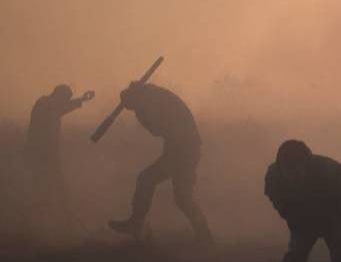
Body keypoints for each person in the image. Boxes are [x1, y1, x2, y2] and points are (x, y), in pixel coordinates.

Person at [108, 82, 211, 242]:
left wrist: (139, 112)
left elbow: (155, 130)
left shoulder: (150, 102)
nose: (134, 110)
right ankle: (205, 237)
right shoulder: (153, 95)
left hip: (183, 152)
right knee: (181, 197)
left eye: (133, 107)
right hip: (184, 150)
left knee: (151, 182)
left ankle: (136, 223)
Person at [24, 84, 94, 223]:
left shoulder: (48, 104)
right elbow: (60, 109)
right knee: (46, 184)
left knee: (55, 183)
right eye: (65, 99)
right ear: (58, 96)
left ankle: (59, 213)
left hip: (48, 152)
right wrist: (81, 100)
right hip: (40, 153)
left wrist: (82, 99)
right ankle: (49, 216)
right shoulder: (44, 106)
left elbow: (62, 107)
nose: (65, 102)